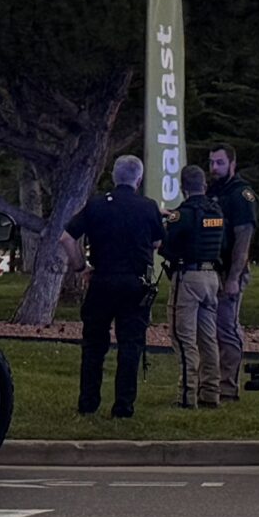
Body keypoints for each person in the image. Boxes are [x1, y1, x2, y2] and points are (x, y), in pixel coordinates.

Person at [64, 155, 168, 419]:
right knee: (131, 345)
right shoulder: (148, 207)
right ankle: (123, 406)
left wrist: (80, 267)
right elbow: (158, 244)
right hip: (136, 283)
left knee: (94, 345)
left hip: (102, 280)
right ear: (139, 179)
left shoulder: (96, 205)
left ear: (114, 176)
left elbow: (66, 238)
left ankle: (88, 402)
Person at [162, 162, 229, 409]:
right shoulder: (216, 212)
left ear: (183, 188)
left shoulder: (183, 214)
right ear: (204, 185)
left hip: (188, 277)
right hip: (211, 278)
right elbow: (221, 244)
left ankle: (186, 395)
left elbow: (168, 246)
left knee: (183, 338)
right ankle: (211, 392)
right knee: (208, 338)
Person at [206, 144, 258, 404]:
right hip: (211, 268)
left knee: (226, 328)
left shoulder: (240, 194)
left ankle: (228, 388)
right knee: (211, 329)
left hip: (229, 269)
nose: (214, 168)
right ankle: (214, 383)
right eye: (212, 163)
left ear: (232, 164)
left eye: (219, 163)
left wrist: (234, 278)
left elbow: (243, 240)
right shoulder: (212, 191)